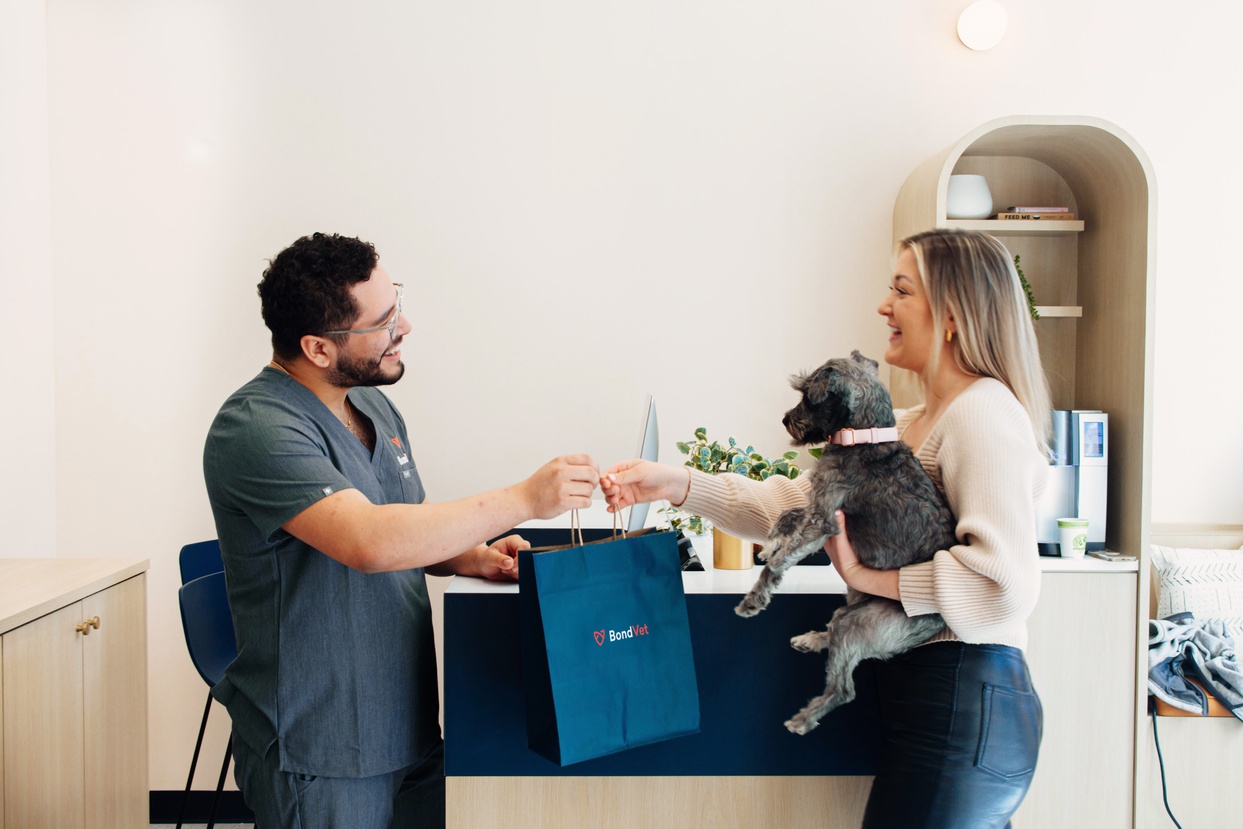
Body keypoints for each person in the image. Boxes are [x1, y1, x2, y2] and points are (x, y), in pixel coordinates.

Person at [601, 228, 1050, 828]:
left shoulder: (983, 414)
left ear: (952, 315)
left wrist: (867, 577)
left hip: (965, 703)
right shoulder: (912, 424)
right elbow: (795, 504)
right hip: (938, 701)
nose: (883, 306)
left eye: (902, 291)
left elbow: (1002, 584)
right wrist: (675, 484)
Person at [203, 232, 599, 829]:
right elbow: (369, 540)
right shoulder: (256, 428)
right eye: (384, 321)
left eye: (398, 305)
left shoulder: (372, 406)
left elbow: (408, 523)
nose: (405, 326)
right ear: (318, 348)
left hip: (405, 721)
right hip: (323, 743)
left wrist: (474, 556)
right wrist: (524, 499)